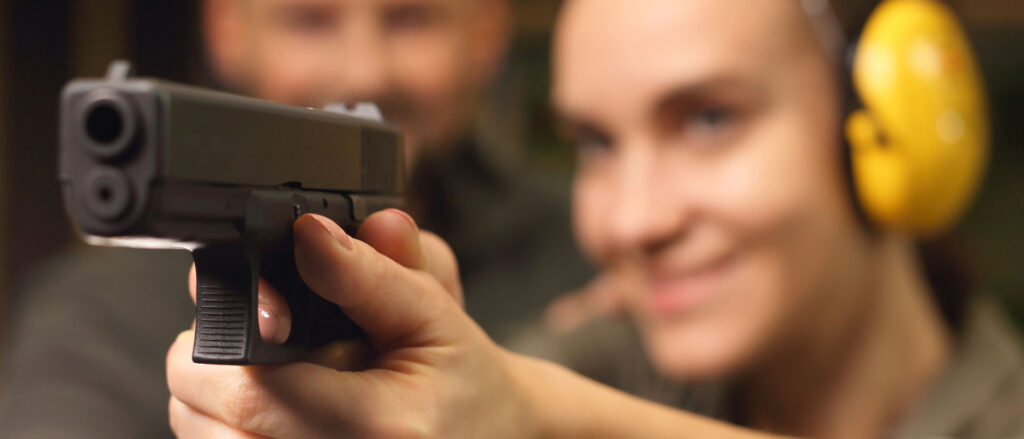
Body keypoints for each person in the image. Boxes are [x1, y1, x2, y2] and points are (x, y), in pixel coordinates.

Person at [165, 0, 1024, 437]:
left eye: (709, 119)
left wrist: (530, 412)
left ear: (885, 124)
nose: (632, 221)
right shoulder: (614, 362)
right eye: (596, 145)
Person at [0, 0, 592, 437]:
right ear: (227, 30)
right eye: (309, 19)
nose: (366, 74)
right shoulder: (97, 317)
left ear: (487, 31)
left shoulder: (595, 245)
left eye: (412, 18)